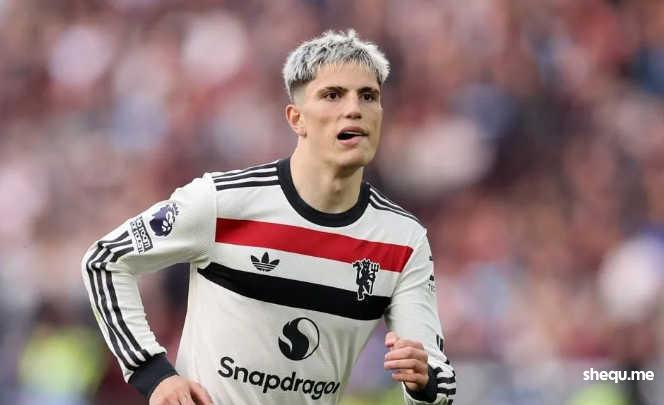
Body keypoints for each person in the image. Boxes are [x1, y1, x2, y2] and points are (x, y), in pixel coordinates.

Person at [81, 29, 456, 405]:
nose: (354, 108)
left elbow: (438, 378)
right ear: (297, 119)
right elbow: (105, 260)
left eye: (368, 96)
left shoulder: (402, 241)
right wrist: (154, 374)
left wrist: (423, 381)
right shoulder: (222, 203)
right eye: (332, 95)